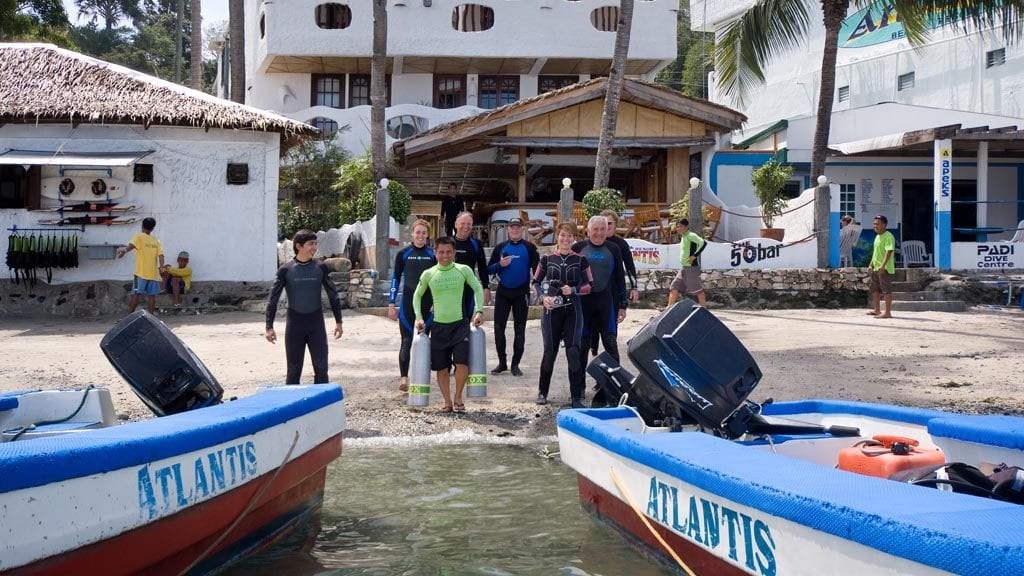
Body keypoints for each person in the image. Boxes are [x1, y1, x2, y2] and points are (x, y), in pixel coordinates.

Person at [413, 236, 485, 414]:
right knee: (441, 367)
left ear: (454, 253)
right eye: (441, 252)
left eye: (448, 252)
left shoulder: (463, 270)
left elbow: (477, 288)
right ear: (435, 252)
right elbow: (417, 296)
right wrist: (419, 317)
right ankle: (447, 402)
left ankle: (458, 397)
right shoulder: (429, 274)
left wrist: (479, 311)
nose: (445, 255)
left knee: (462, 363)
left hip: (460, 325)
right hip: (438, 327)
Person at [265, 230, 343, 384]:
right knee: (293, 373)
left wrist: (339, 322)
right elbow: (272, 299)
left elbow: (333, 295)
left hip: (316, 325)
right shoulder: (286, 270)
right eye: (311, 244)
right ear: (298, 246)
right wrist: (269, 327)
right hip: (295, 326)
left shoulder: (320, 267)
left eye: (315, 243)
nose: (315, 247)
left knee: (321, 371)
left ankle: (321, 406)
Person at [533, 223, 592, 406]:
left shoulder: (581, 260)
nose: (566, 239)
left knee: (573, 351)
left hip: (573, 310)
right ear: (557, 237)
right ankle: (542, 392)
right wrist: (543, 298)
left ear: (574, 238)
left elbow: (590, 285)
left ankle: (576, 396)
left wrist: (573, 290)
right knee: (550, 351)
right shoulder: (547, 258)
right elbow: (535, 282)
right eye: (563, 235)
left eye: (570, 236)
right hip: (552, 310)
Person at [573, 215, 628, 407]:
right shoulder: (578, 248)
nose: (598, 233)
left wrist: (623, 304)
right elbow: (568, 275)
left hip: (607, 306)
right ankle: (579, 388)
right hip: (584, 306)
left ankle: (613, 389)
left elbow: (620, 278)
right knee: (582, 347)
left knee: (611, 346)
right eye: (594, 229)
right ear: (588, 231)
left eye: (601, 229)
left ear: (607, 231)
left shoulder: (614, 249)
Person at [486, 217, 539, 376]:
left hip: (521, 293)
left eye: (518, 227)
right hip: (503, 292)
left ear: (522, 229)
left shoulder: (529, 248)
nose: (515, 230)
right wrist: (499, 265)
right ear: (508, 230)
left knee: (520, 329)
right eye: (512, 227)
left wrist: (536, 284)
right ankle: (502, 362)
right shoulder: (501, 247)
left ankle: (515, 364)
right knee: (498, 328)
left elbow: (538, 270)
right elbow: (488, 269)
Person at [389, 219, 436, 392]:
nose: (421, 236)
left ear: (427, 235)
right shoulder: (403, 253)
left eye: (424, 232)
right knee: (406, 342)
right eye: (418, 232)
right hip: (407, 305)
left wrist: (436, 303)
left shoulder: (433, 254)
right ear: (412, 233)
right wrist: (391, 304)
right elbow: (395, 278)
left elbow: (437, 280)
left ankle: (421, 377)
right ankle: (404, 378)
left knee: (424, 341)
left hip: (428, 306)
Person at [117, 217, 164, 314]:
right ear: (153, 228)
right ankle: (151, 318)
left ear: (142, 226)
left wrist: (124, 251)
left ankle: (129, 317)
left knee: (136, 294)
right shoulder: (156, 240)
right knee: (152, 296)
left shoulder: (138, 237)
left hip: (139, 274)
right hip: (153, 274)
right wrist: (162, 267)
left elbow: (131, 246)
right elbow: (161, 255)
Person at [453, 211, 490, 316]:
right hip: (450, 288)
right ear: (456, 224)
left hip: (469, 288)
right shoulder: (448, 242)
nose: (466, 226)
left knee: (466, 320)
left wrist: (486, 287)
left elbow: (482, 266)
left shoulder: (476, 244)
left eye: (469, 224)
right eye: (462, 223)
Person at [667, 218, 707, 308]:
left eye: (680, 226)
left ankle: (704, 309)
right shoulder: (684, 236)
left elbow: (703, 243)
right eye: (677, 227)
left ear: (686, 226)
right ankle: (668, 308)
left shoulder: (690, 235)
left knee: (697, 290)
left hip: (691, 268)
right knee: (674, 286)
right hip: (684, 268)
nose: (678, 228)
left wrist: (694, 256)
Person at [867, 214, 896, 319]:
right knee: (874, 289)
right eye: (874, 224)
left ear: (884, 225)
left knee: (886, 290)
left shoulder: (888, 236)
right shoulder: (877, 236)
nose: (875, 226)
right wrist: (871, 265)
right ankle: (877, 310)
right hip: (876, 268)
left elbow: (889, 251)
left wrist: (883, 266)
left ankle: (887, 312)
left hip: (884, 269)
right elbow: (875, 253)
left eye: (878, 224)